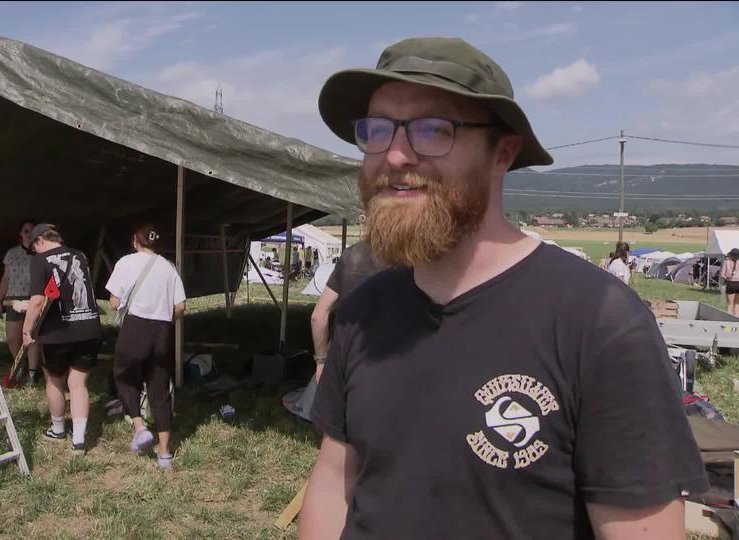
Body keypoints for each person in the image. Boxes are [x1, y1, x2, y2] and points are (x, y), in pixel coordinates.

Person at [300, 37, 707, 539]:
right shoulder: (364, 310)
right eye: (378, 130)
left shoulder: (598, 321)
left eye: (433, 130)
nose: (396, 155)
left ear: (503, 153)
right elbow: (332, 483)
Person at [106, 223, 186, 469]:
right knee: (160, 390)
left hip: (135, 328)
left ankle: (140, 427)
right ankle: (164, 454)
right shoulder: (169, 267)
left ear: (135, 241)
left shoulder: (125, 263)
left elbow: (113, 303)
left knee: (125, 377)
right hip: (163, 331)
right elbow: (181, 307)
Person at [22, 224, 103, 456]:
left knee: (55, 381)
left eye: (33, 247)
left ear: (39, 241)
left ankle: (58, 429)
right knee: (78, 384)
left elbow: (37, 301)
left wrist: (27, 331)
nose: (34, 252)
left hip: (58, 332)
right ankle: (78, 441)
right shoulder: (80, 255)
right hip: (89, 327)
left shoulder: (41, 260)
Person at [310, 242, 383, 382]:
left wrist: (321, 362)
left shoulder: (353, 254)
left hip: (347, 358)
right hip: (396, 358)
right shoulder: (415, 257)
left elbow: (318, 316)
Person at [0, 220, 42, 385]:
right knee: (13, 338)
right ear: (20, 234)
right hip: (13, 298)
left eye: (31, 231)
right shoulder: (11, 253)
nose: (28, 234)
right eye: (25, 231)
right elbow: (5, 278)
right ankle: (20, 366)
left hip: (33, 297)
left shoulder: (40, 252)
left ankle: (33, 372)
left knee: (32, 336)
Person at [723, 248, 739, 316]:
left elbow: (722, 274)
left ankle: (729, 320)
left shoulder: (726, 262)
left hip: (730, 283)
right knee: (737, 304)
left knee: (730, 304)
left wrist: (726, 279)